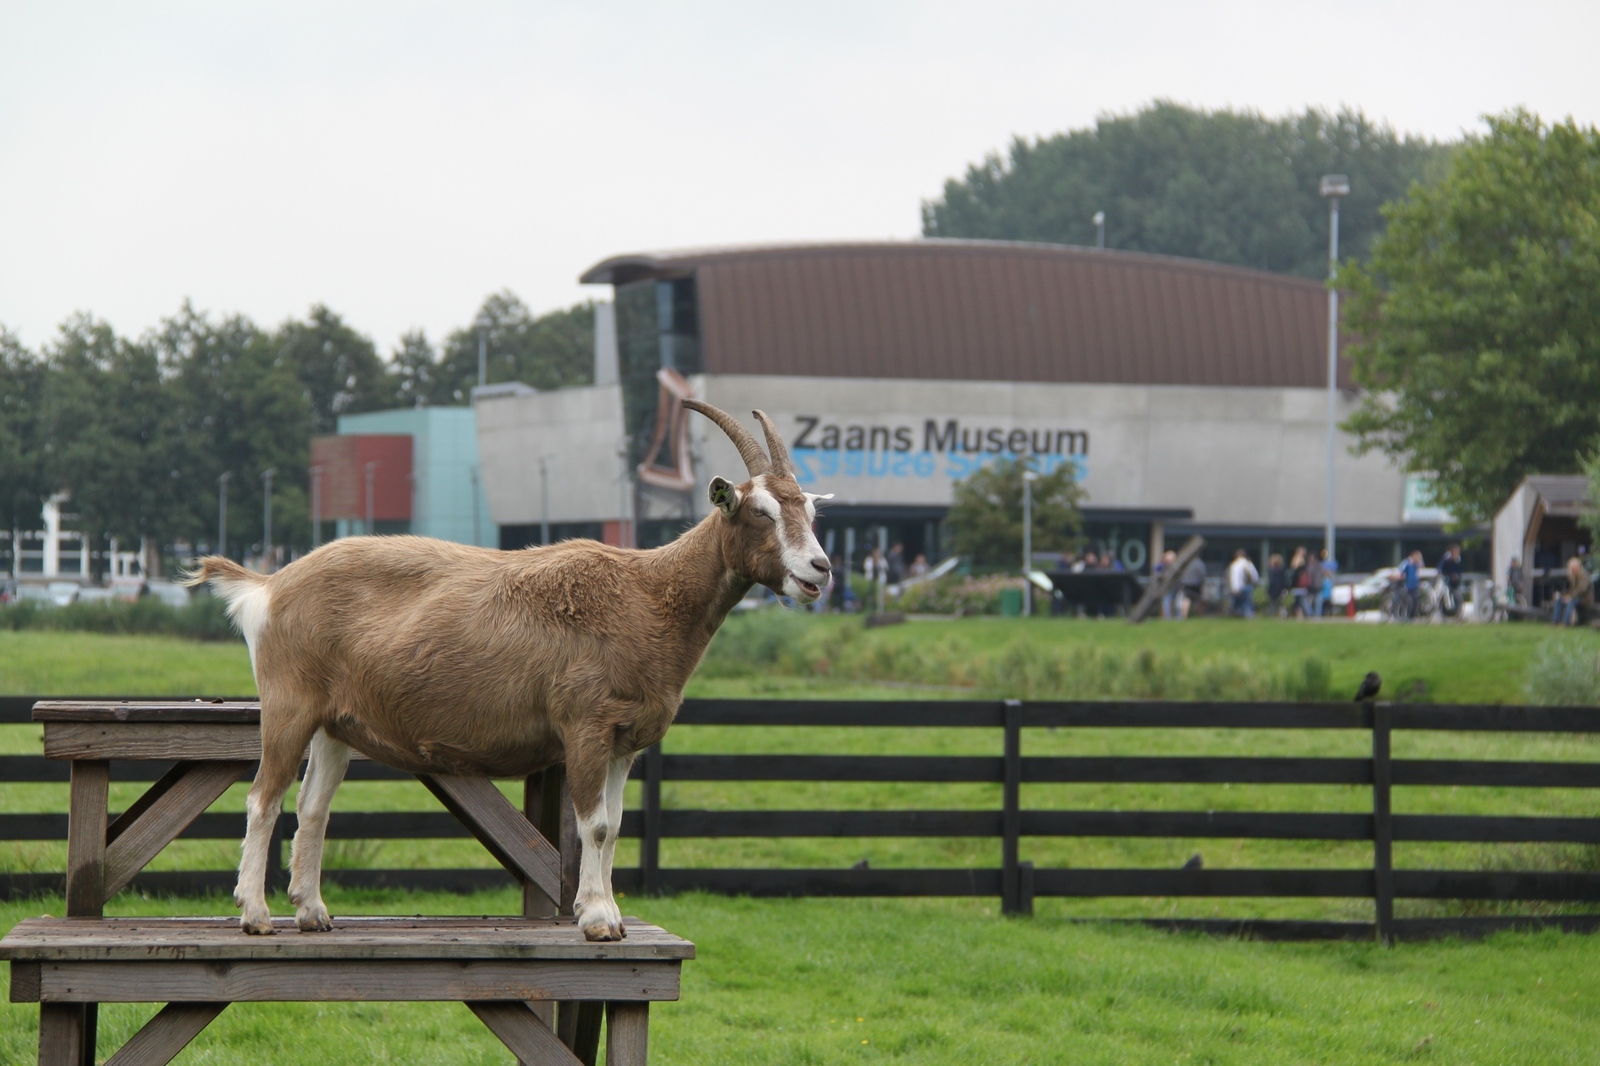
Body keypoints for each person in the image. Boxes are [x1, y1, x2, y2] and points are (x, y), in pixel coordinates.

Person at [1553, 556, 1593, 626]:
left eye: (1573, 568)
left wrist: (1570, 596)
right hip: (1575, 597)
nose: (1572, 570)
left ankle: (1566, 623)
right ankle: (1556, 621)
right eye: (1571, 569)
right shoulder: (1573, 577)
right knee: (1559, 600)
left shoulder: (1585, 576)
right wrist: (1562, 595)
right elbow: (1571, 590)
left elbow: (1582, 590)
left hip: (1584, 599)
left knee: (1571, 601)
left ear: (1578, 567)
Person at [1227, 549, 1259, 618]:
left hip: (1240, 587)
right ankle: (1249, 615)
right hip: (1248, 586)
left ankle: (1237, 615)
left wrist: (1235, 588)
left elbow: (1236, 578)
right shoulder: (1249, 564)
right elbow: (1255, 576)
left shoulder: (1236, 565)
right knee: (1247, 602)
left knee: (1237, 603)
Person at [1437, 544, 1464, 615]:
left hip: (1454, 581)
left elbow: (1460, 569)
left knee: (1457, 591)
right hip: (1446, 578)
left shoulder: (1458, 560)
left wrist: (1457, 575)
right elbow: (1441, 569)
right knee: (1444, 590)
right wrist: (1448, 574)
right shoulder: (1446, 558)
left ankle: (1456, 610)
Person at [1156, 549, 1180, 620]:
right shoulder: (1163, 566)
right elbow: (1156, 569)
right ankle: (1168, 617)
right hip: (1167, 587)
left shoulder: (1174, 566)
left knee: (1174, 602)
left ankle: (1174, 617)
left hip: (1174, 586)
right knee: (1167, 600)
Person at [1398, 550, 1423, 618]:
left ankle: (1413, 615)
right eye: (1417, 557)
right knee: (1409, 600)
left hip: (1414, 585)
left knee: (1415, 600)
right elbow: (1401, 571)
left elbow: (1420, 571)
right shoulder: (1406, 563)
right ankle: (1408, 615)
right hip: (1407, 585)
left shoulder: (1416, 565)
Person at [1314, 548, 1338, 618]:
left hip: (1327, 593)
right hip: (1322, 592)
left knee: (1325, 602)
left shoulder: (1329, 580)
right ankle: (1318, 615)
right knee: (1319, 601)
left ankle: (1327, 614)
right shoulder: (1322, 577)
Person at [1286, 547, 1308, 618]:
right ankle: (1302, 615)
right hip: (1300, 586)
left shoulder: (1296, 562)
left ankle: (1300, 615)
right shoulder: (1301, 563)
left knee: (1298, 602)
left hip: (1297, 586)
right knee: (1301, 601)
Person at [1265, 553, 1286, 617]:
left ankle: (1274, 615)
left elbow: (1273, 581)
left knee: (1274, 604)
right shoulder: (1281, 570)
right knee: (1278, 604)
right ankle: (1279, 615)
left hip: (1274, 590)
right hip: (1279, 589)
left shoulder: (1273, 571)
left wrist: (1268, 590)